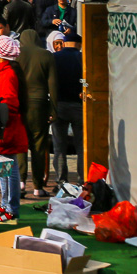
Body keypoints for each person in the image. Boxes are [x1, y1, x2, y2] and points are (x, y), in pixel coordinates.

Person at [0, 36, 28, 221]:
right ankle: (6, 205)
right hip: (8, 126)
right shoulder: (8, 71)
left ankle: (11, 207)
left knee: (8, 169)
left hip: (7, 127)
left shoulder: (7, 74)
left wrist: (0, 124)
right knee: (4, 168)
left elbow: (8, 103)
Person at [17, 29, 58, 198]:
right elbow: (53, 85)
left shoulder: (16, 54)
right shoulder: (46, 55)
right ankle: (38, 186)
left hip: (20, 105)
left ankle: (20, 182)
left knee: (20, 145)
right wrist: (53, 109)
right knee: (39, 146)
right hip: (39, 104)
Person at [51, 29, 84, 184]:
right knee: (81, 146)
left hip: (59, 105)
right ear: (79, 44)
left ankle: (61, 181)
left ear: (63, 43)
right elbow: (87, 80)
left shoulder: (54, 57)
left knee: (59, 147)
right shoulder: (82, 57)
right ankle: (82, 180)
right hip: (79, 106)